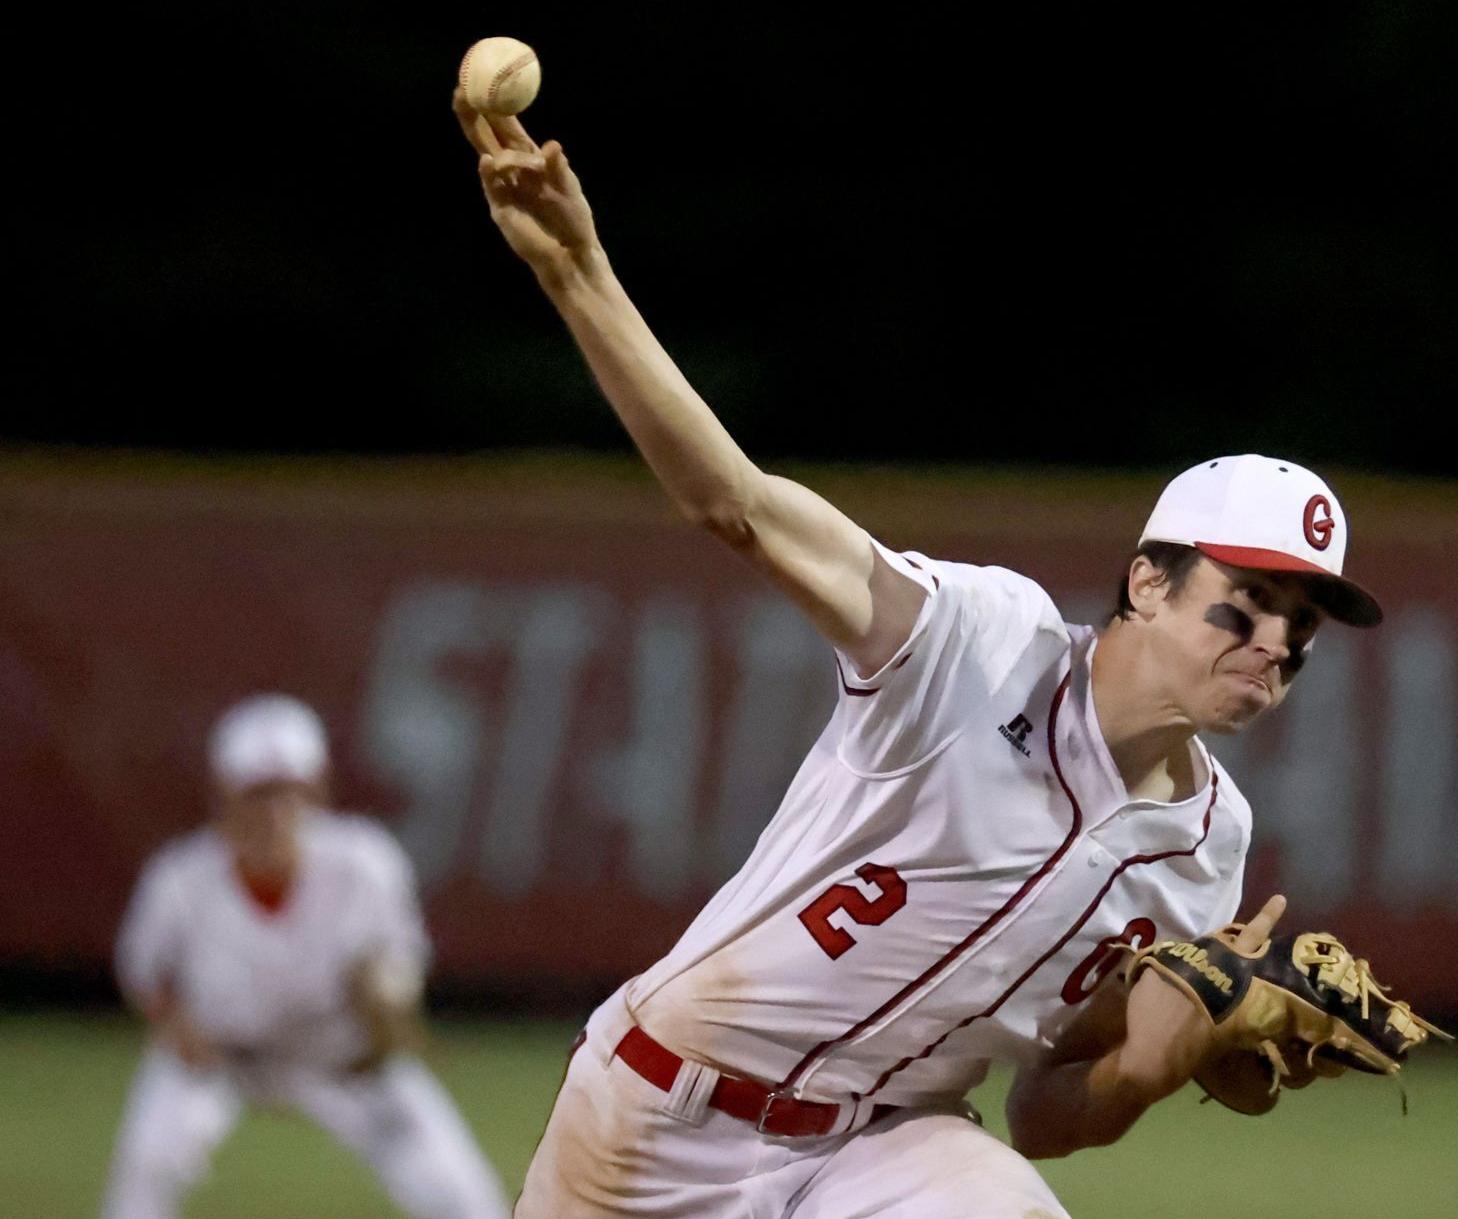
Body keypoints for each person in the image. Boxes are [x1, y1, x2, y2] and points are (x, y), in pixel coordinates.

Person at [453, 91, 1383, 1219]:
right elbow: (737, 504)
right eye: (1248, 603)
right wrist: (577, 273)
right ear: (1148, 581)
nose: (1274, 642)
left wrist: (1145, 1069)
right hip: (656, 1121)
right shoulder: (975, 645)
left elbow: (1045, 1110)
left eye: (1301, 626)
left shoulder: (1205, 850)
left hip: (884, 1148)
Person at [100, 694, 510, 1219]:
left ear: (317, 790)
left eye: (290, 791)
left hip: (339, 1053)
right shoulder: (180, 878)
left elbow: (402, 957)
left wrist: (391, 997)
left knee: (462, 1191)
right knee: (146, 1168)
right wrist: (174, 1021)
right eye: (259, 793)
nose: (275, 811)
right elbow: (143, 968)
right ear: (226, 795)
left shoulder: (364, 863)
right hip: (223, 1057)